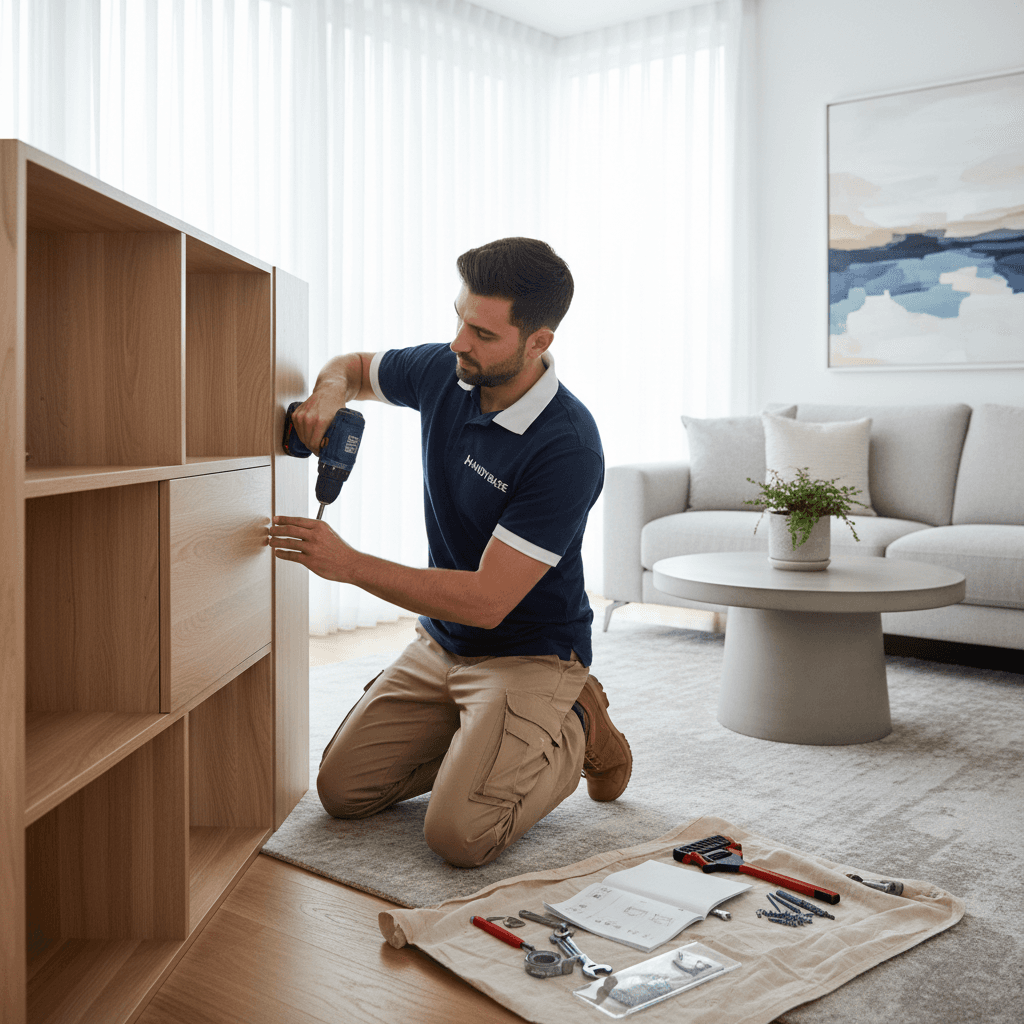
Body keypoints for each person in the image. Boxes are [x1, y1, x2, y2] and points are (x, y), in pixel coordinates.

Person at [269, 237, 631, 867]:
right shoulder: (448, 370)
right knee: (341, 793)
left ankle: (574, 721)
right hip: (443, 644)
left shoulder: (566, 445)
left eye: (483, 333)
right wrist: (331, 394)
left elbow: (489, 602)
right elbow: (353, 367)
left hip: (528, 651)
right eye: (459, 317)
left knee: (459, 837)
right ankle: (485, 740)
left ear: (538, 342)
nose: (461, 340)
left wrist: (350, 566)